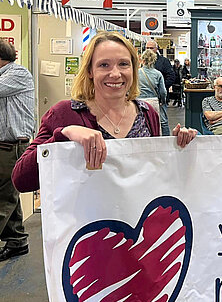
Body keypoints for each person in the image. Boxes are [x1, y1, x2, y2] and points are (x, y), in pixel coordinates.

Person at [12, 31, 197, 194]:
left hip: (136, 225)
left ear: (134, 69)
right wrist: (64, 134)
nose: (115, 74)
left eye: (123, 64)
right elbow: (21, 180)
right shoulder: (64, 113)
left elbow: (154, 173)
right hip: (87, 229)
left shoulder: (147, 114)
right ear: (90, 71)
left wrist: (176, 148)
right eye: (104, 65)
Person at [0, 39, 34, 261]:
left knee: (3, 198)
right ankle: (17, 240)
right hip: (7, 145)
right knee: (8, 194)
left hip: (12, 146)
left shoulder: (18, 73)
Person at [138, 49, 169, 135]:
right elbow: (163, 92)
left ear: (142, 60)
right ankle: (167, 141)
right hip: (153, 102)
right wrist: (162, 101)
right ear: (154, 60)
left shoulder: (136, 73)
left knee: (141, 123)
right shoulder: (158, 74)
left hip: (139, 102)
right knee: (162, 122)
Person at [145, 40, 175, 106]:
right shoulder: (142, 61)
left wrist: (161, 88)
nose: (149, 50)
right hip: (144, 98)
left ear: (156, 49)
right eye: (147, 48)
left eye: (151, 48)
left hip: (160, 99)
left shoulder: (164, 61)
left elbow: (171, 77)